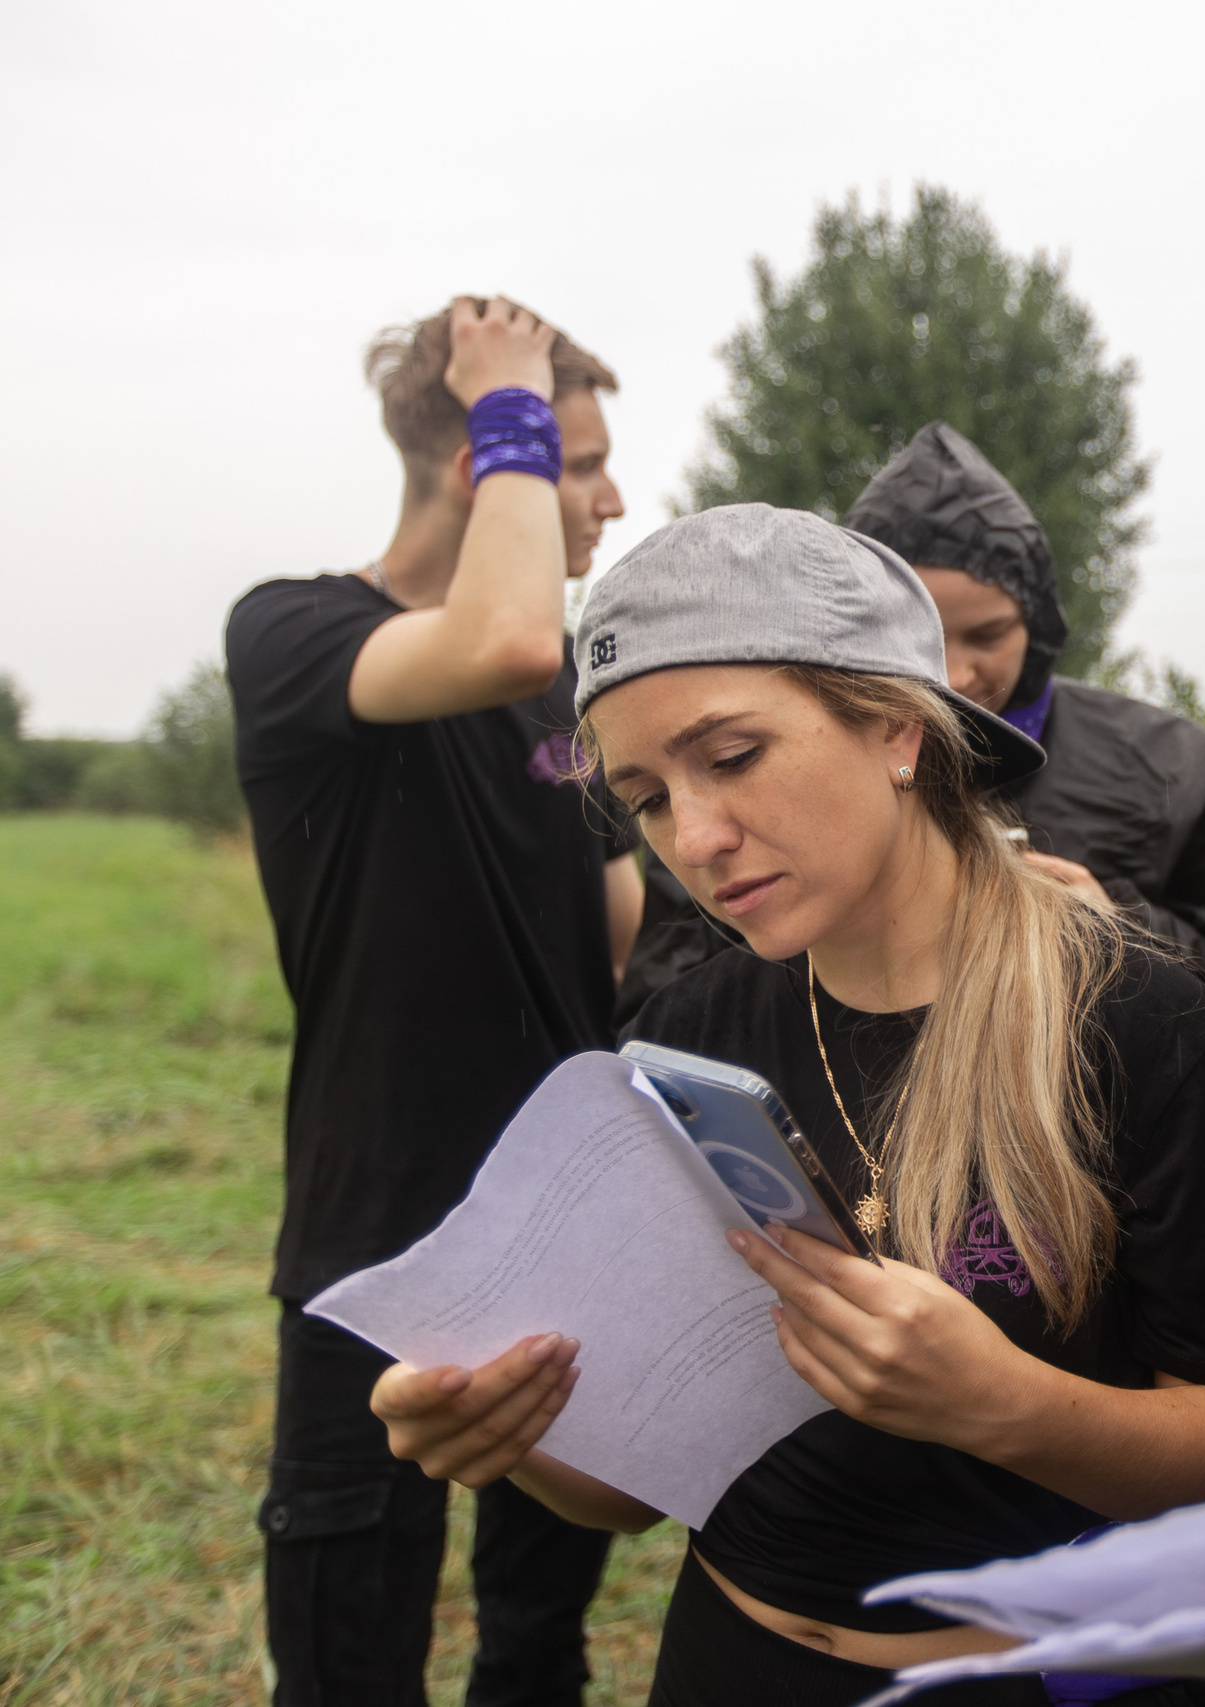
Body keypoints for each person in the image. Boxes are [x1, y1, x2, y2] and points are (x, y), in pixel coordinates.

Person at [367, 504, 1205, 1707]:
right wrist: (511, 1436)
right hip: (732, 1663)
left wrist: (1009, 1409)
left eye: (732, 756)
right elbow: (633, 1493)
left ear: (897, 727)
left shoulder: (1148, 1025)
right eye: (647, 797)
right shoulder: (686, 1038)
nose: (694, 839)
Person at [225, 298, 641, 1705]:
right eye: (582, 463)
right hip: (376, 1239)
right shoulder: (293, 631)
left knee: (537, 1643)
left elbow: (614, 922)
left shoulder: (565, 688)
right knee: (349, 1659)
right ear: (488, 464)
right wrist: (510, 391)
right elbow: (504, 634)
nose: (611, 499)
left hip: (562, 1230)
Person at [612, 426, 1205, 1024]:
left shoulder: (1176, 766)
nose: (952, 675)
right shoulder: (704, 800)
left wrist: (1117, 927)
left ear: (1039, 624)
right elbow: (667, 1007)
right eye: (919, 637)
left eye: (987, 635)